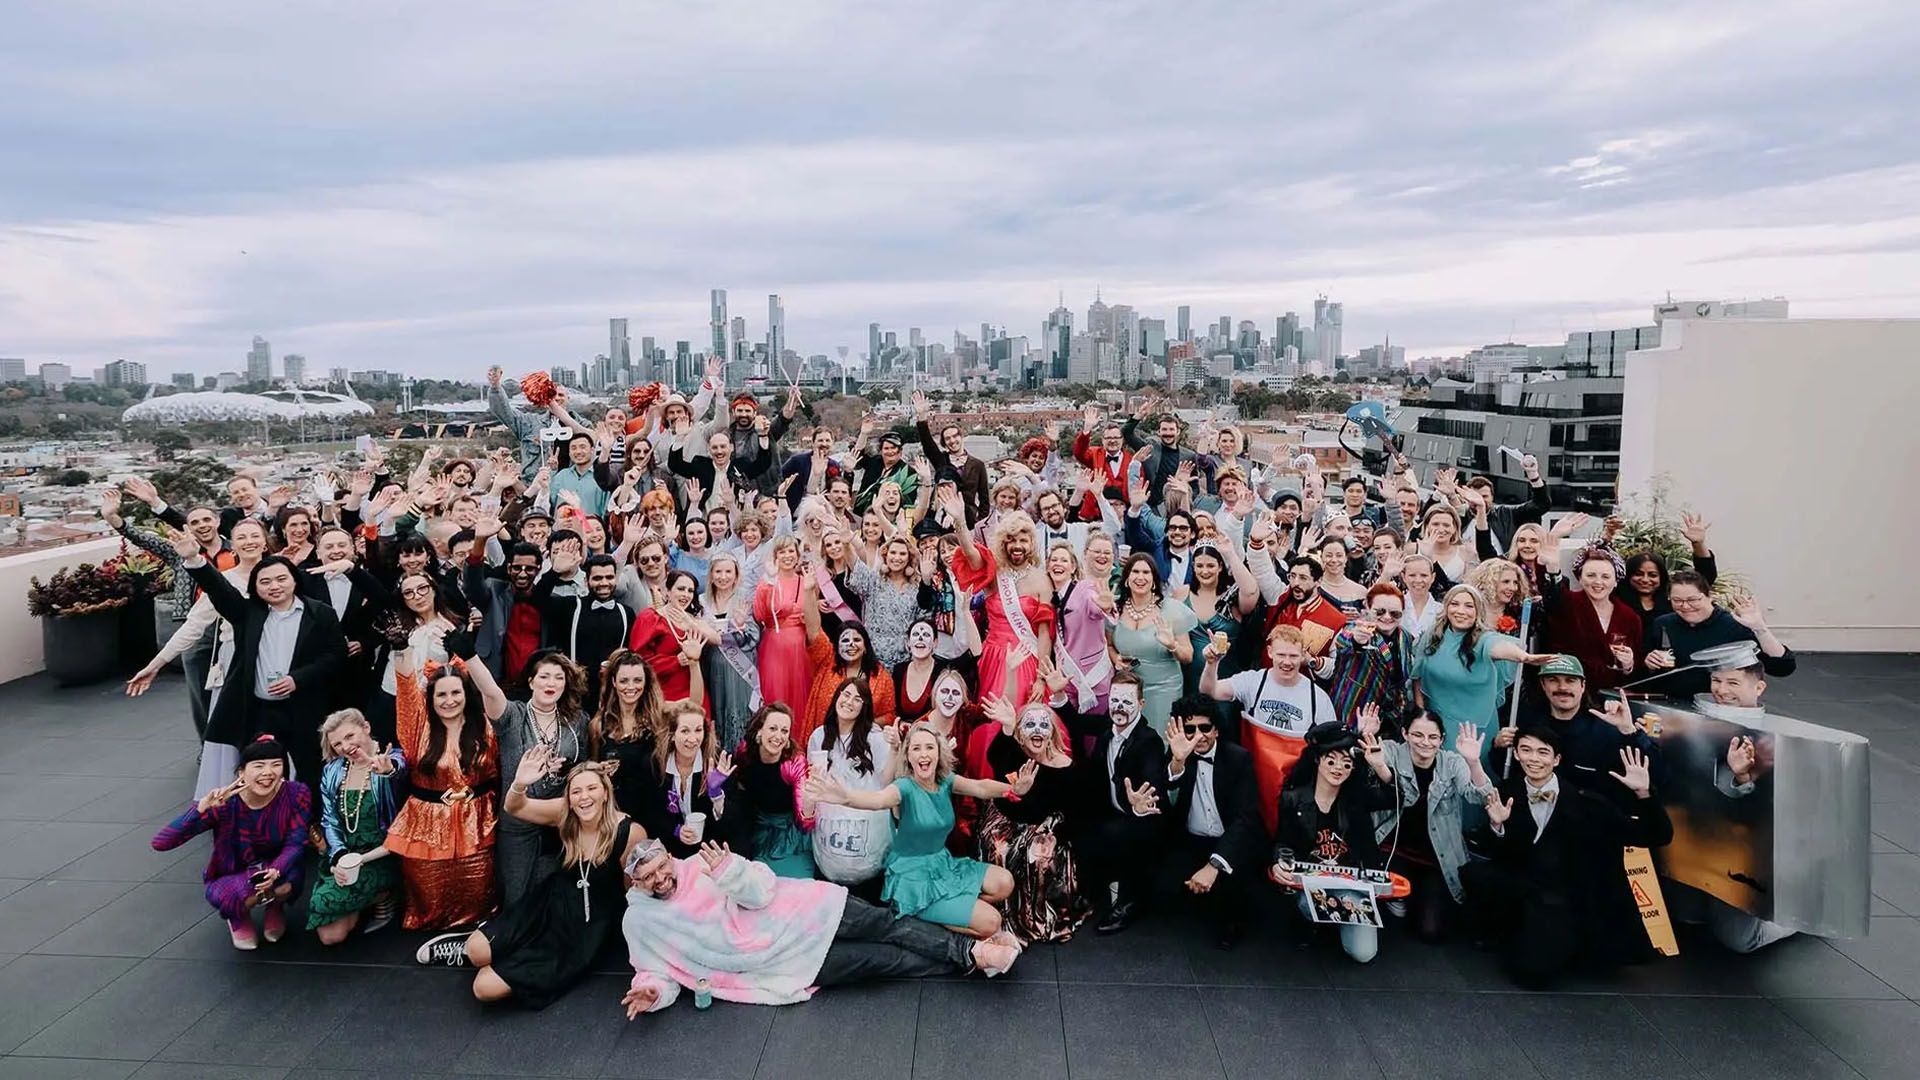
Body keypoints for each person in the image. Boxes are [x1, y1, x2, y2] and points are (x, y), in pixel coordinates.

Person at [620, 838, 1019, 1015]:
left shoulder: (701, 865)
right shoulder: (640, 921)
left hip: (807, 910)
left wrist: (731, 872)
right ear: (636, 883)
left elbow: (761, 889)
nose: (660, 879)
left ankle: (971, 952)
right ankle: (969, 960)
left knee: (888, 924)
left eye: (661, 868)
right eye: (649, 877)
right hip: (784, 961)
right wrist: (651, 993)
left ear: (670, 858)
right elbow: (655, 970)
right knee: (884, 961)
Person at [416, 753, 647, 1011]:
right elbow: (514, 807)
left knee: (483, 988)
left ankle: (504, 954)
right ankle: (473, 946)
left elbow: (634, 893)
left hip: (583, 927)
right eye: (576, 791)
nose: (584, 797)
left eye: (592, 788)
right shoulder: (565, 815)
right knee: (477, 950)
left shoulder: (628, 832)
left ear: (605, 792)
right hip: (548, 903)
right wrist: (520, 783)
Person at [1463, 727, 1672, 986]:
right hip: (1522, 888)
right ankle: (1506, 930)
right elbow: (1496, 852)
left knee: (1535, 973)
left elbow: (1655, 836)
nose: (1534, 759)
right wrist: (1497, 827)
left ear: (1557, 759)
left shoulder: (1587, 802)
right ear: (1516, 754)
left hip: (1564, 897)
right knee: (1477, 874)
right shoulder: (1508, 791)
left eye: (1543, 752)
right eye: (1526, 750)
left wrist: (1644, 794)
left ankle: (1567, 942)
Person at [808, 721, 1026, 938]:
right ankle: (922, 914)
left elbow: (980, 786)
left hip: (943, 865)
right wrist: (845, 797)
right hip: (913, 878)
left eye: (929, 747)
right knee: (992, 923)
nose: (924, 754)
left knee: (1005, 883)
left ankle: (955, 906)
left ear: (939, 753)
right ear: (908, 757)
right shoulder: (904, 787)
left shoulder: (945, 780)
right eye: (916, 748)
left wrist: (1012, 790)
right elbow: (878, 800)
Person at [176, 532, 349, 784]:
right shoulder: (247, 614)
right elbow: (219, 588)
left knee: (310, 766)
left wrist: (297, 679)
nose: (274, 586)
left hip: (303, 707)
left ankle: (310, 820)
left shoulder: (320, 613)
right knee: (263, 771)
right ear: (255, 587)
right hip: (261, 710)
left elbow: (335, 656)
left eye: (281, 579)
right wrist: (194, 558)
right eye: (265, 582)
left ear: (294, 580)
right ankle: (266, 821)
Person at [152, 735, 313, 950]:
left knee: (287, 883)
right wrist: (200, 809)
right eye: (258, 766)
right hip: (233, 871)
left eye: (276, 765)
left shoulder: (296, 793)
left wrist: (275, 870)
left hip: (275, 866)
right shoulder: (225, 803)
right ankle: (238, 917)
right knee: (234, 896)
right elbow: (161, 843)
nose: (268, 772)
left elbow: (296, 842)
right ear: (241, 772)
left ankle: (275, 907)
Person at [386, 648, 500, 930]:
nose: (449, 701)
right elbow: (406, 691)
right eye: (442, 695)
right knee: (430, 902)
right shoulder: (418, 728)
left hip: (476, 825)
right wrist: (400, 651)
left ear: (466, 694)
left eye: (456, 693)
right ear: (430, 698)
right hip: (427, 827)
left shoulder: (484, 726)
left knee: (478, 902)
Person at [1360, 708, 1492, 942]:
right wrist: (1364, 739)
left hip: (1435, 857)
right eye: (1418, 735)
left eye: (1433, 737)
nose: (1425, 743)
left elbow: (1478, 797)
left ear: (1442, 739)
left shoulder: (1451, 762)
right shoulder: (1390, 750)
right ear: (1405, 733)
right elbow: (1357, 775)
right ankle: (1398, 898)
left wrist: (1473, 762)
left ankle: (1414, 899)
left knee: (1431, 932)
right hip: (1391, 849)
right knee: (1388, 916)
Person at [1268, 722, 1396, 963]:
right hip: (1312, 882)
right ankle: (1312, 923)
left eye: (1346, 763)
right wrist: (1280, 863)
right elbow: (1283, 841)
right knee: (1308, 905)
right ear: (1317, 760)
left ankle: (1335, 924)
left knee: (1364, 953)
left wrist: (1379, 766)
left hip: (1351, 886)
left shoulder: (1356, 798)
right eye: (1331, 760)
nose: (1339, 768)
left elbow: (1397, 798)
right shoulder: (1293, 798)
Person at [974, 697, 1089, 943]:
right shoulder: (1012, 752)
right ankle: (998, 914)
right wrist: (1018, 792)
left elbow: (1072, 810)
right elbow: (996, 759)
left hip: (1045, 821)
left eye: (1043, 725)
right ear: (1020, 733)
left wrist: (1053, 831)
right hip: (1007, 814)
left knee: (1037, 856)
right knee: (1000, 847)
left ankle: (1036, 917)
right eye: (1030, 725)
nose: (1037, 730)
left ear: (1052, 732)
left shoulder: (1065, 766)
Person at [1201, 624, 1336, 833]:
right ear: (1270, 651)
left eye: (1293, 656)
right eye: (1281, 654)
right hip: (1253, 788)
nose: (1287, 662)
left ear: (1302, 656)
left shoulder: (1317, 697)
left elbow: (1330, 746)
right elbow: (1210, 691)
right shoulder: (1253, 681)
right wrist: (1212, 663)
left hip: (1293, 792)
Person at [1159, 695, 1267, 948]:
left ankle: (1234, 921)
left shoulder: (1238, 758)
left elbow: (1245, 819)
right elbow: (1166, 789)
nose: (1199, 735)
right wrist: (1178, 760)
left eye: (1205, 728)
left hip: (1231, 842)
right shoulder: (1177, 754)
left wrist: (1214, 865)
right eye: (1189, 729)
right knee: (1167, 888)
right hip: (1191, 841)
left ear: (1216, 729)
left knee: (1237, 896)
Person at [1411, 584, 1551, 767]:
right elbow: (1418, 677)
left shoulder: (1483, 639)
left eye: (1469, 606)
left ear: (1478, 612)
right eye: (1455, 604)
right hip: (1436, 721)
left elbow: (1499, 648)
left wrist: (1523, 657)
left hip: (1474, 725)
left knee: (1471, 772)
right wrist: (1422, 715)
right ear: (1446, 608)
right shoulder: (1433, 636)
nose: (1461, 611)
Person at [494, 649, 591, 906]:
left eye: (559, 678)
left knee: (553, 894)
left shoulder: (578, 720)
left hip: (559, 820)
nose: (551, 683)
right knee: (516, 898)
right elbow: (491, 694)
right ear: (531, 681)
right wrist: (470, 657)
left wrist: (568, 769)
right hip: (517, 822)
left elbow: (584, 768)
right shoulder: (514, 715)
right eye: (544, 676)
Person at [1074, 673, 1168, 934]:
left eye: (1127, 702)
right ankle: (1091, 891)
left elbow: (1154, 781)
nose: (1119, 707)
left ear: (1141, 704)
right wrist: (1059, 697)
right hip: (1114, 810)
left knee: (1122, 834)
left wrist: (1139, 805)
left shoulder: (1149, 741)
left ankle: (1129, 902)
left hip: (1145, 818)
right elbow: (1077, 722)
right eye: (1115, 700)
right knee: (1082, 824)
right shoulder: (1108, 729)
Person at [944, 493, 1054, 710]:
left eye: (1023, 540)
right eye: (1011, 540)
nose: (1017, 546)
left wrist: (1042, 678)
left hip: (1027, 658)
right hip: (994, 658)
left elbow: (1044, 634)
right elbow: (970, 553)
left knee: (1024, 717)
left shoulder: (1042, 580)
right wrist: (959, 521)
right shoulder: (995, 573)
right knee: (993, 719)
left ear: (1031, 543)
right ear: (1003, 543)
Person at [309, 709, 407, 943]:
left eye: (350, 736)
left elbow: (398, 769)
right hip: (346, 857)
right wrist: (339, 855)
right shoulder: (332, 770)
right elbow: (329, 820)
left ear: (366, 727)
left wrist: (387, 771)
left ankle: (384, 892)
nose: (345, 747)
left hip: (382, 854)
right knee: (331, 936)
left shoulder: (392, 757)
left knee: (321, 901)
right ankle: (364, 902)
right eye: (337, 743)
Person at [1490, 655, 1658, 788]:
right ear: (1543, 684)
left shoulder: (1605, 727)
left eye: (1570, 680)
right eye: (1553, 680)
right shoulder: (1527, 723)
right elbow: (1508, 774)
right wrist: (1498, 747)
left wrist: (1630, 731)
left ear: (1583, 685)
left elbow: (1657, 776)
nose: (1562, 688)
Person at [1640, 573, 1796, 698]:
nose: (1685, 606)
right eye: (1677, 600)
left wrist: (1760, 628)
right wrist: (1649, 662)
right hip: (1671, 702)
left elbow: (1782, 667)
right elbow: (1643, 664)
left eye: (1693, 599)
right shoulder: (1663, 623)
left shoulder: (1735, 625)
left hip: (1721, 703)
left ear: (1710, 595)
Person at [806, 677, 896, 888]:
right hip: (830, 830)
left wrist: (894, 750)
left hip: (866, 826)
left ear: (864, 707)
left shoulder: (876, 738)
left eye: (858, 699)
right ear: (836, 697)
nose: (849, 702)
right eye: (846, 694)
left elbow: (886, 781)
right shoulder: (819, 736)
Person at [1109, 552, 1196, 735]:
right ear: (1126, 578)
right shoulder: (1115, 608)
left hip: (1163, 689)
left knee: (1159, 742)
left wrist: (1172, 645)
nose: (1140, 577)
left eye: (1146, 572)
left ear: (1154, 580)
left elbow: (1188, 656)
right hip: (1128, 690)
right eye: (1135, 572)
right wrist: (1116, 658)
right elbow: (1109, 645)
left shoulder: (1170, 609)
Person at [727, 703, 816, 878]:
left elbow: (805, 821)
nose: (778, 736)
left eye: (784, 731)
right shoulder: (745, 753)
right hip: (758, 830)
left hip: (791, 836)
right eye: (773, 728)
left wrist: (810, 799)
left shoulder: (794, 764)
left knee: (794, 887)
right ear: (760, 731)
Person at [1541, 545, 1641, 693]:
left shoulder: (1630, 617)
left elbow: (1637, 666)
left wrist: (1628, 665)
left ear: (1616, 581)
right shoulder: (1567, 603)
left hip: (1612, 695)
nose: (1598, 582)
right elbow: (1553, 596)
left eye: (1606, 577)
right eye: (1591, 575)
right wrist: (1553, 568)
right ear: (1580, 578)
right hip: (1569, 691)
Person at [589, 649, 667, 825]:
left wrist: (693, 664)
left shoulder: (658, 719)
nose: (631, 687)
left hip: (653, 811)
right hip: (616, 815)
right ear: (614, 682)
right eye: (624, 680)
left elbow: (693, 706)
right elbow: (592, 767)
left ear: (646, 682)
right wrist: (598, 769)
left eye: (637, 680)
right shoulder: (598, 725)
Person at [701, 552, 762, 752]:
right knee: (718, 710)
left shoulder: (745, 599)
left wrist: (740, 626)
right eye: (718, 571)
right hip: (713, 666)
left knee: (740, 710)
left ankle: (742, 756)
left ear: (736, 575)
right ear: (711, 574)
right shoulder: (702, 601)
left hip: (740, 668)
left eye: (728, 571)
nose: (723, 576)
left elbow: (754, 636)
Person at [627, 569, 715, 705]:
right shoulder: (650, 618)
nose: (685, 594)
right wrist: (675, 661)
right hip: (662, 695)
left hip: (695, 691)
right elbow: (637, 662)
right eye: (681, 589)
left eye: (690, 591)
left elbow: (717, 640)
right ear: (667, 591)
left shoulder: (695, 621)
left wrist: (691, 624)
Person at [752, 536, 813, 714]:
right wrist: (769, 585)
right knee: (775, 692)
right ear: (775, 556)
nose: (787, 556)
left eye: (791, 551)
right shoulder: (766, 582)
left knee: (801, 694)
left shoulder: (805, 581)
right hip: (774, 646)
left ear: (797, 554)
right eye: (782, 552)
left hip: (802, 648)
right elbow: (759, 614)